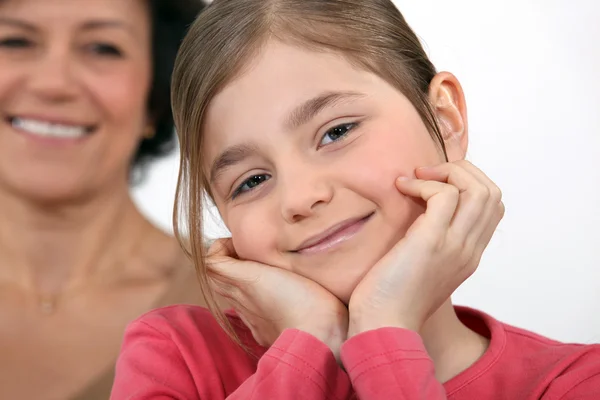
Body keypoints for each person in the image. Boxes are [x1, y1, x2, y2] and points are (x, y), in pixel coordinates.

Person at [111, 0, 600, 399]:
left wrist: (383, 332)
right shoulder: (176, 359)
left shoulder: (574, 383)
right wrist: (309, 339)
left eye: (337, 132)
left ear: (445, 119)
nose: (301, 197)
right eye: (251, 181)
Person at [0, 0, 207, 399]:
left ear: (155, 93)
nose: (53, 83)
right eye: (15, 41)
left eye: (102, 48)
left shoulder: (234, 307)